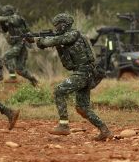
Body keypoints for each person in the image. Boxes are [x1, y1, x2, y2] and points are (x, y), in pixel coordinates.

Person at [35, 13, 113, 141]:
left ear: (64, 25)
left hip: (84, 72)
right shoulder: (66, 39)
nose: (56, 28)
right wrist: (39, 41)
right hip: (84, 73)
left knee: (59, 91)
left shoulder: (73, 34)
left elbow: (56, 40)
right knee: (82, 108)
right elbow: (68, 63)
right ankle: (105, 131)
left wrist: (43, 42)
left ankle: (63, 125)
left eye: (58, 26)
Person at [0, 5, 38, 86]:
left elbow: (8, 19)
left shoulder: (16, 17)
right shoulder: (9, 21)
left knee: (5, 57)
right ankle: (33, 79)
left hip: (21, 43)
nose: (3, 16)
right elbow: (4, 29)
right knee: (20, 69)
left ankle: (13, 77)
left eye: (4, 14)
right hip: (17, 44)